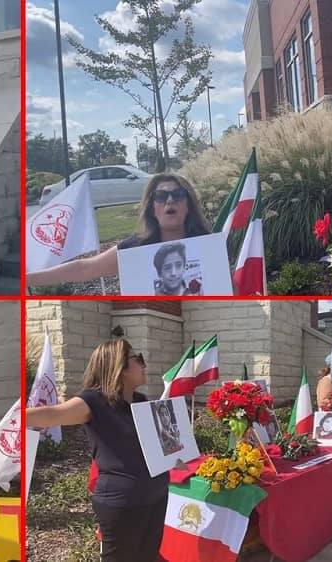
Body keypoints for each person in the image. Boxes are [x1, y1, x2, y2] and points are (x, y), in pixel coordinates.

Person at [26, 338, 168, 561]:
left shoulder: (141, 401)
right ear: (118, 366)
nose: (144, 365)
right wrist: (15, 419)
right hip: (123, 504)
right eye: (138, 359)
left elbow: (157, 446)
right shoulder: (94, 401)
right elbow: (53, 414)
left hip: (156, 496)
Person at [27, 174, 211, 289]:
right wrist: (28, 280)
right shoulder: (134, 249)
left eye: (178, 195)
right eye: (161, 196)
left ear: (188, 204)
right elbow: (86, 268)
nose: (170, 201)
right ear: (151, 207)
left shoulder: (208, 246)